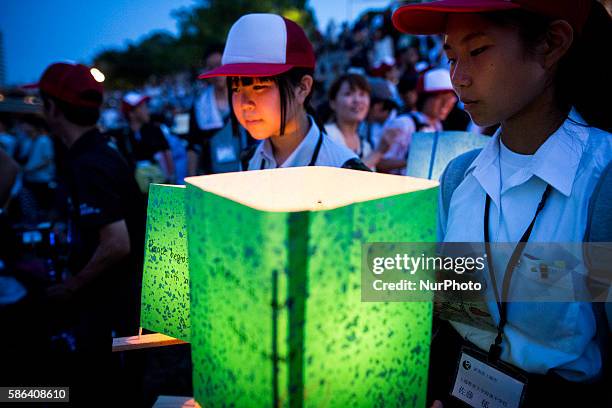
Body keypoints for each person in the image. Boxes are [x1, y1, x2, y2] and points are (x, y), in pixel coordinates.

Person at [393, 0, 611, 406]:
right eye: (451, 56)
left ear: (552, 44)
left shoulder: (602, 182)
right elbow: (443, 304)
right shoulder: (459, 177)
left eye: (477, 51)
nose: (458, 78)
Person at [28, 62, 145, 403]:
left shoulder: (89, 162)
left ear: (52, 108)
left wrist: (69, 287)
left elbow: (117, 243)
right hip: (116, 309)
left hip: (110, 312)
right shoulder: (98, 152)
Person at [199, 13, 369, 171]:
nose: (245, 104)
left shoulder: (343, 168)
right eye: (235, 88)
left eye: (259, 87)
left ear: (303, 88)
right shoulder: (248, 161)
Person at [377, 68, 457, 175]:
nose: (445, 105)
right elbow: (379, 162)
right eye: (440, 98)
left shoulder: (438, 126)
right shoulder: (404, 123)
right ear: (424, 98)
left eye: (450, 99)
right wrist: (414, 162)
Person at [325, 73, 397, 170]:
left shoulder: (366, 146)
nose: (357, 100)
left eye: (362, 94)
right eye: (348, 94)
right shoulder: (325, 137)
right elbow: (341, 180)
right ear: (333, 103)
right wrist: (378, 152)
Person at [186, 45, 234, 176]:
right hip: (214, 174)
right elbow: (193, 145)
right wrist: (191, 178)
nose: (216, 72)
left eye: (219, 65)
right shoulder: (199, 105)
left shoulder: (243, 98)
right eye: (211, 68)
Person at [112, 92, 175, 189]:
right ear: (131, 114)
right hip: (135, 192)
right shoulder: (122, 136)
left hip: (160, 188)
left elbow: (167, 155)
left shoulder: (155, 130)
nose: (147, 110)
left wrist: (171, 181)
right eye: (142, 107)